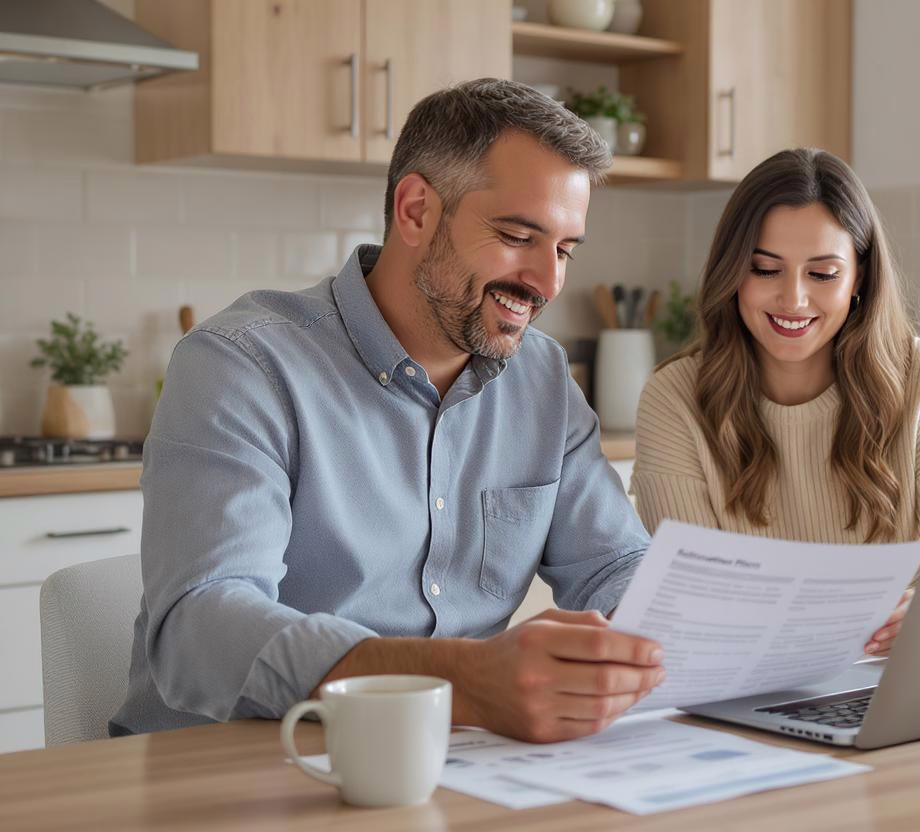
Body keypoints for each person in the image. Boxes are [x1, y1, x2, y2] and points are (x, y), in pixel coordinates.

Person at [110, 79, 665, 744]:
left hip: (452, 766)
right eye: (519, 235)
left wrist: (688, 632)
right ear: (415, 211)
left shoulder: (542, 377)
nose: (548, 283)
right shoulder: (242, 365)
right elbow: (200, 624)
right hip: (235, 767)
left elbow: (613, 567)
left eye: (566, 250)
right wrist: (462, 681)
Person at [632, 148, 920, 656]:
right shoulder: (675, 399)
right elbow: (699, 610)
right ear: (732, 273)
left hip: (906, 679)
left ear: (859, 280)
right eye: (765, 269)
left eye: (822, 274)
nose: (793, 300)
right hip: (748, 687)